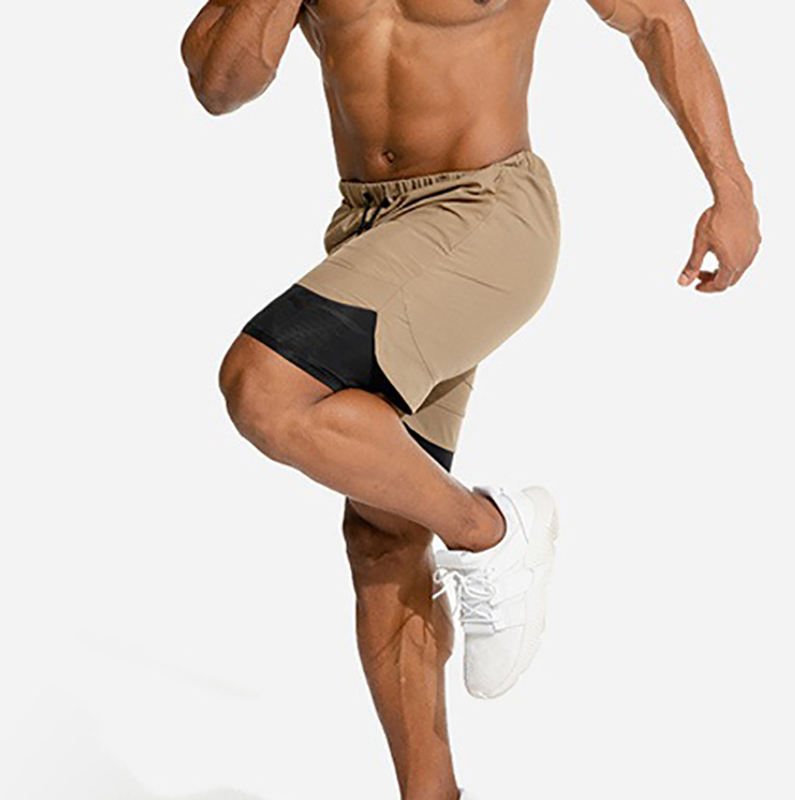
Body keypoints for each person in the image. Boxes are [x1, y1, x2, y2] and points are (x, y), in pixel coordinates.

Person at [180, 0, 761, 797]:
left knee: (265, 387)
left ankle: (489, 532)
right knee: (383, 537)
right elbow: (219, 86)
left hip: (489, 210)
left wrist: (731, 189)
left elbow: (658, 19)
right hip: (372, 228)